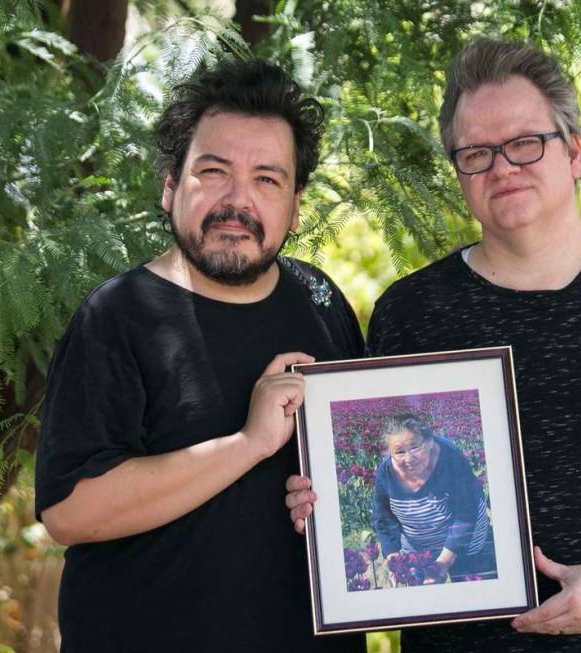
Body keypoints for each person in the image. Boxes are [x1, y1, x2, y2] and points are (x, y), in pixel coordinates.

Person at [287, 38, 581, 651]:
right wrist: (321, 502)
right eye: (477, 153)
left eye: (524, 144)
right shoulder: (410, 313)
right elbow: (382, 474)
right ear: (458, 172)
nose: (502, 168)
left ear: (573, 152)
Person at [35, 59, 365, 652]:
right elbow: (70, 510)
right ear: (170, 186)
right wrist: (248, 445)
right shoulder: (117, 316)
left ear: (294, 207)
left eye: (268, 179)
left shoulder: (322, 302)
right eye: (213, 171)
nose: (238, 200)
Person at [372, 413, 497, 585]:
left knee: (470, 595)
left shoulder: (451, 459)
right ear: (389, 452)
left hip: (466, 545)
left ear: (429, 442)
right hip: (418, 552)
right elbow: (383, 517)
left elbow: (466, 513)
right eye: (399, 452)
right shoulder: (385, 473)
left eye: (415, 448)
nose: (409, 458)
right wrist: (393, 555)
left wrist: (443, 562)